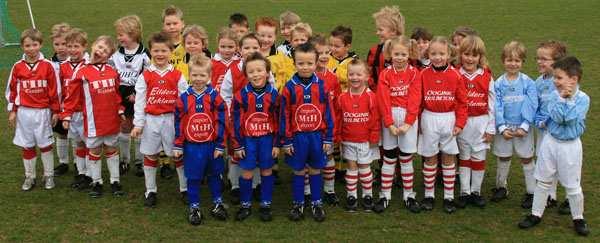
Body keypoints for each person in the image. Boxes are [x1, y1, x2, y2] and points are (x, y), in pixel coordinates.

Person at [518, 56, 590, 236]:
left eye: (559, 78)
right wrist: (561, 100)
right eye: (554, 78)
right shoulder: (552, 95)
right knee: (543, 180)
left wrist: (567, 100)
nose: (555, 82)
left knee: (572, 185)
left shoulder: (583, 99)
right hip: (550, 142)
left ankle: (578, 218)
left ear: (573, 80)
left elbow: (569, 119)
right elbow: (558, 118)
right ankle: (535, 214)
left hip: (570, 146)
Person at [130, 32, 189, 207]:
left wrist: (184, 122)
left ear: (171, 52)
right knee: (150, 155)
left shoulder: (178, 75)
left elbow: (185, 101)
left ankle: (185, 189)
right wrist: (138, 124)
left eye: (164, 50)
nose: (160, 54)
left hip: (172, 120)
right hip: (151, 120)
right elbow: (140, 102)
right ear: (151, 52)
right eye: (156, 50)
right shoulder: (145, 76)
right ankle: (150, 190)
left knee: (178, 154)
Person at [62, 36, 126, 198]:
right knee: (95, 150)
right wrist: (67, 116)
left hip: (111, 120)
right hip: (92, 122)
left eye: (105, 50)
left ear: (109, 56)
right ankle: (96, 181)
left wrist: (120, 109)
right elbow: (72, 97)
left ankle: (115, 181)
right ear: (92, 46)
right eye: (99, 47)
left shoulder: (112, 72)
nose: (100, 51)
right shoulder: (82, 72)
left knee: (111, 149)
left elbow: (117, 95)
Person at [280, 43, 334, 222]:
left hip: (317, 136)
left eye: (309, 63)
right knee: (298, 170)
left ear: (316, 63)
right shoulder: (289, 87)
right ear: (294, 63)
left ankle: (317, 202)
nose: (305, 67)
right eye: (301, 63)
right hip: (297, 137)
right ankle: (298, 203)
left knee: (315, 169)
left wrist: (328, 137)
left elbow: (328, 113)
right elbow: (284, 115)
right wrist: (286, 140)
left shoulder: (322, 86)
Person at [174, 55, 228, 225]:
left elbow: (222, 120)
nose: (198, 79)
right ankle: (194, 206)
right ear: (189, 75)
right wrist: (178, 144)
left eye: (202, 75)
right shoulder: (183, 98)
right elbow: (178, 122)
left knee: (215, 174)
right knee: (193, 177)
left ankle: (217, 203)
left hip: (211, 145)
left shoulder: (215, 97)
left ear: (209, 77)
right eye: (195, 75)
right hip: (192, 146)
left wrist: (220, 144)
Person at [417, 36, 467, 214]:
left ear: (449, 54)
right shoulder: (423, 74)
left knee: (448, 157)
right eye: (433, 53)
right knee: (429, 157)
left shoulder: (456, 75)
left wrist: (460, 123)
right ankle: (429, 195)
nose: (437, 57)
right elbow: (418, 101)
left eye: (441, 54)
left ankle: (448, 196)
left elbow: (462, 102)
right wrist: (418, 123)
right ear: (428, 54)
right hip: (429, 117)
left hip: (448, 118)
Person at [6, 28, 60, 191]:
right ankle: (30, 176)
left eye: (34, 45)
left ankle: (49, 175)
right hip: (24, 112)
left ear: (40, 45)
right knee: (27, 145)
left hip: (42, 112)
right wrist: (13, 109)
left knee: (45, 144)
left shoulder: (48, 66)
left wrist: (56, 110)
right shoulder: (17, 67)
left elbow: (55, 90)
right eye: (27, 45)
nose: (31, 49)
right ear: (22, 46)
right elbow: (12, 90)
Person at [374, 36, 421, 214]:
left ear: (409, 54)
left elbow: (415, 98)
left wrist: (409, 122)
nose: (400, 57)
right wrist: (389, 123)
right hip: (391, 117)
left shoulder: (415, 73)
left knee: (406, 158)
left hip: (408, 118)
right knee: (389, 156)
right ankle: (385, 195)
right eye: (396, 54)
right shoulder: (385, 74)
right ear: (389, 54)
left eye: (403, 54)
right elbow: (382, 99)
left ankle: (409, 195)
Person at [231, 52, 279, 221]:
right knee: (247, 172)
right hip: (248, 141)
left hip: (267, 140)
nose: (256, 74)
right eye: (251, 72)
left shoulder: (274, 95)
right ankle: (245, 204)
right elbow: (235, 122)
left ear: (267, 72)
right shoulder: (241, 96)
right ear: (246, 74)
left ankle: (266, 204)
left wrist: (276, 144)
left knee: (267, 170)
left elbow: (279, 121)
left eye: (259, 70)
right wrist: (237, 144)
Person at [492, 41, 538, 209]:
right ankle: (501, 187)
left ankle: (532, 192)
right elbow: (496, 106)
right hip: (504, 128)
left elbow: (532, 104)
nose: (513, 64)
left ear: (523, 62)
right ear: (503, 61)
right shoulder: (498, 83)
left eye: (517, 60)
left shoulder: (528, 82)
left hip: (522, 129)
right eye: (509, 60)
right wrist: (502, 127)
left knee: (526, 159)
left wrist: (525, 126)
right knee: (503, 157)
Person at [455, 35, 495, 208]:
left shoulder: (486, 76)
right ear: (460, 54)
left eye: (474, 55)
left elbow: (493, 104)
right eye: (466, 54)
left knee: (478, 156)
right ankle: (464, 191)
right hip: (462, 122)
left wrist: (491, 128)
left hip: (481, 121)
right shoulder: (455, 74)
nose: (470, 59)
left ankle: (476, 191)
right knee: (464, 157)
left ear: (480, 57)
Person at [335, 59, 380, 212]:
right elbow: (339, 118)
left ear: (367, 76)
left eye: (358, 74)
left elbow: (375, 119)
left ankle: (368, 195)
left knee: (365, 168)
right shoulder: (342, 97)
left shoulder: (370, 96)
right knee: (351, 168)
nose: (354, 78)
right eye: (351, 74)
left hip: (364, 141)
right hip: (348, 140)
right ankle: (351, 196)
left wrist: (374, 137)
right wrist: (338, 136)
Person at [110, 15, 150, 177]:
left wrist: (138, 93)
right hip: (121, 95)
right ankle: (124, 160)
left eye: (121, 34)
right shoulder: (116, 55)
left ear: (133, 34)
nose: (119, 38)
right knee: (124, 127)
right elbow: (112, 75)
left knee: (139, 127)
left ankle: (139, 161)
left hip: (138, 94)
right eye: (118, 34)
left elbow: (148, 76)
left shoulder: (144, 54)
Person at [533, 40, 569, 213]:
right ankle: (550, 195)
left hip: (561, 133)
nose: (540, 62)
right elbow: (536, 105)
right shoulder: (538, 82)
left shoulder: (564, 82)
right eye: (538, 58)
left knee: (564, 165)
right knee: (546, 163)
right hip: (543, 131)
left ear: (556, 62)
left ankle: (571, 198)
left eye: (544, 59)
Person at [61, 28, 92, 190]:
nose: (72, 50)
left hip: (86, 113)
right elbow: (61, 91)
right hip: (72, 114)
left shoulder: (89, 65)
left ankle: (90, 175)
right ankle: (81, 172)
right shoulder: (63, 66)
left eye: (76, 46)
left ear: (84, 47)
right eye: (70, 46)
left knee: (89, 144)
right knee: (78, 143)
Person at [49, 22, 72, 176]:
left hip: (74, 104)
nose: (61, 47)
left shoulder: (77, 60)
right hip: (58, 105)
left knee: (77, 135)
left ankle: (80, 163)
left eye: (64, 43)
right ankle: (63, 162)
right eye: (57, 44)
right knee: (61, 133)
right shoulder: (49, 63)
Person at [366, 5, 404, 88]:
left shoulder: (407, 50)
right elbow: (369, 74)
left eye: (380, 30)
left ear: (393, 31)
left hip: (401, 98)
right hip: (380, 96)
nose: (377, 33)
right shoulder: (374, 51)